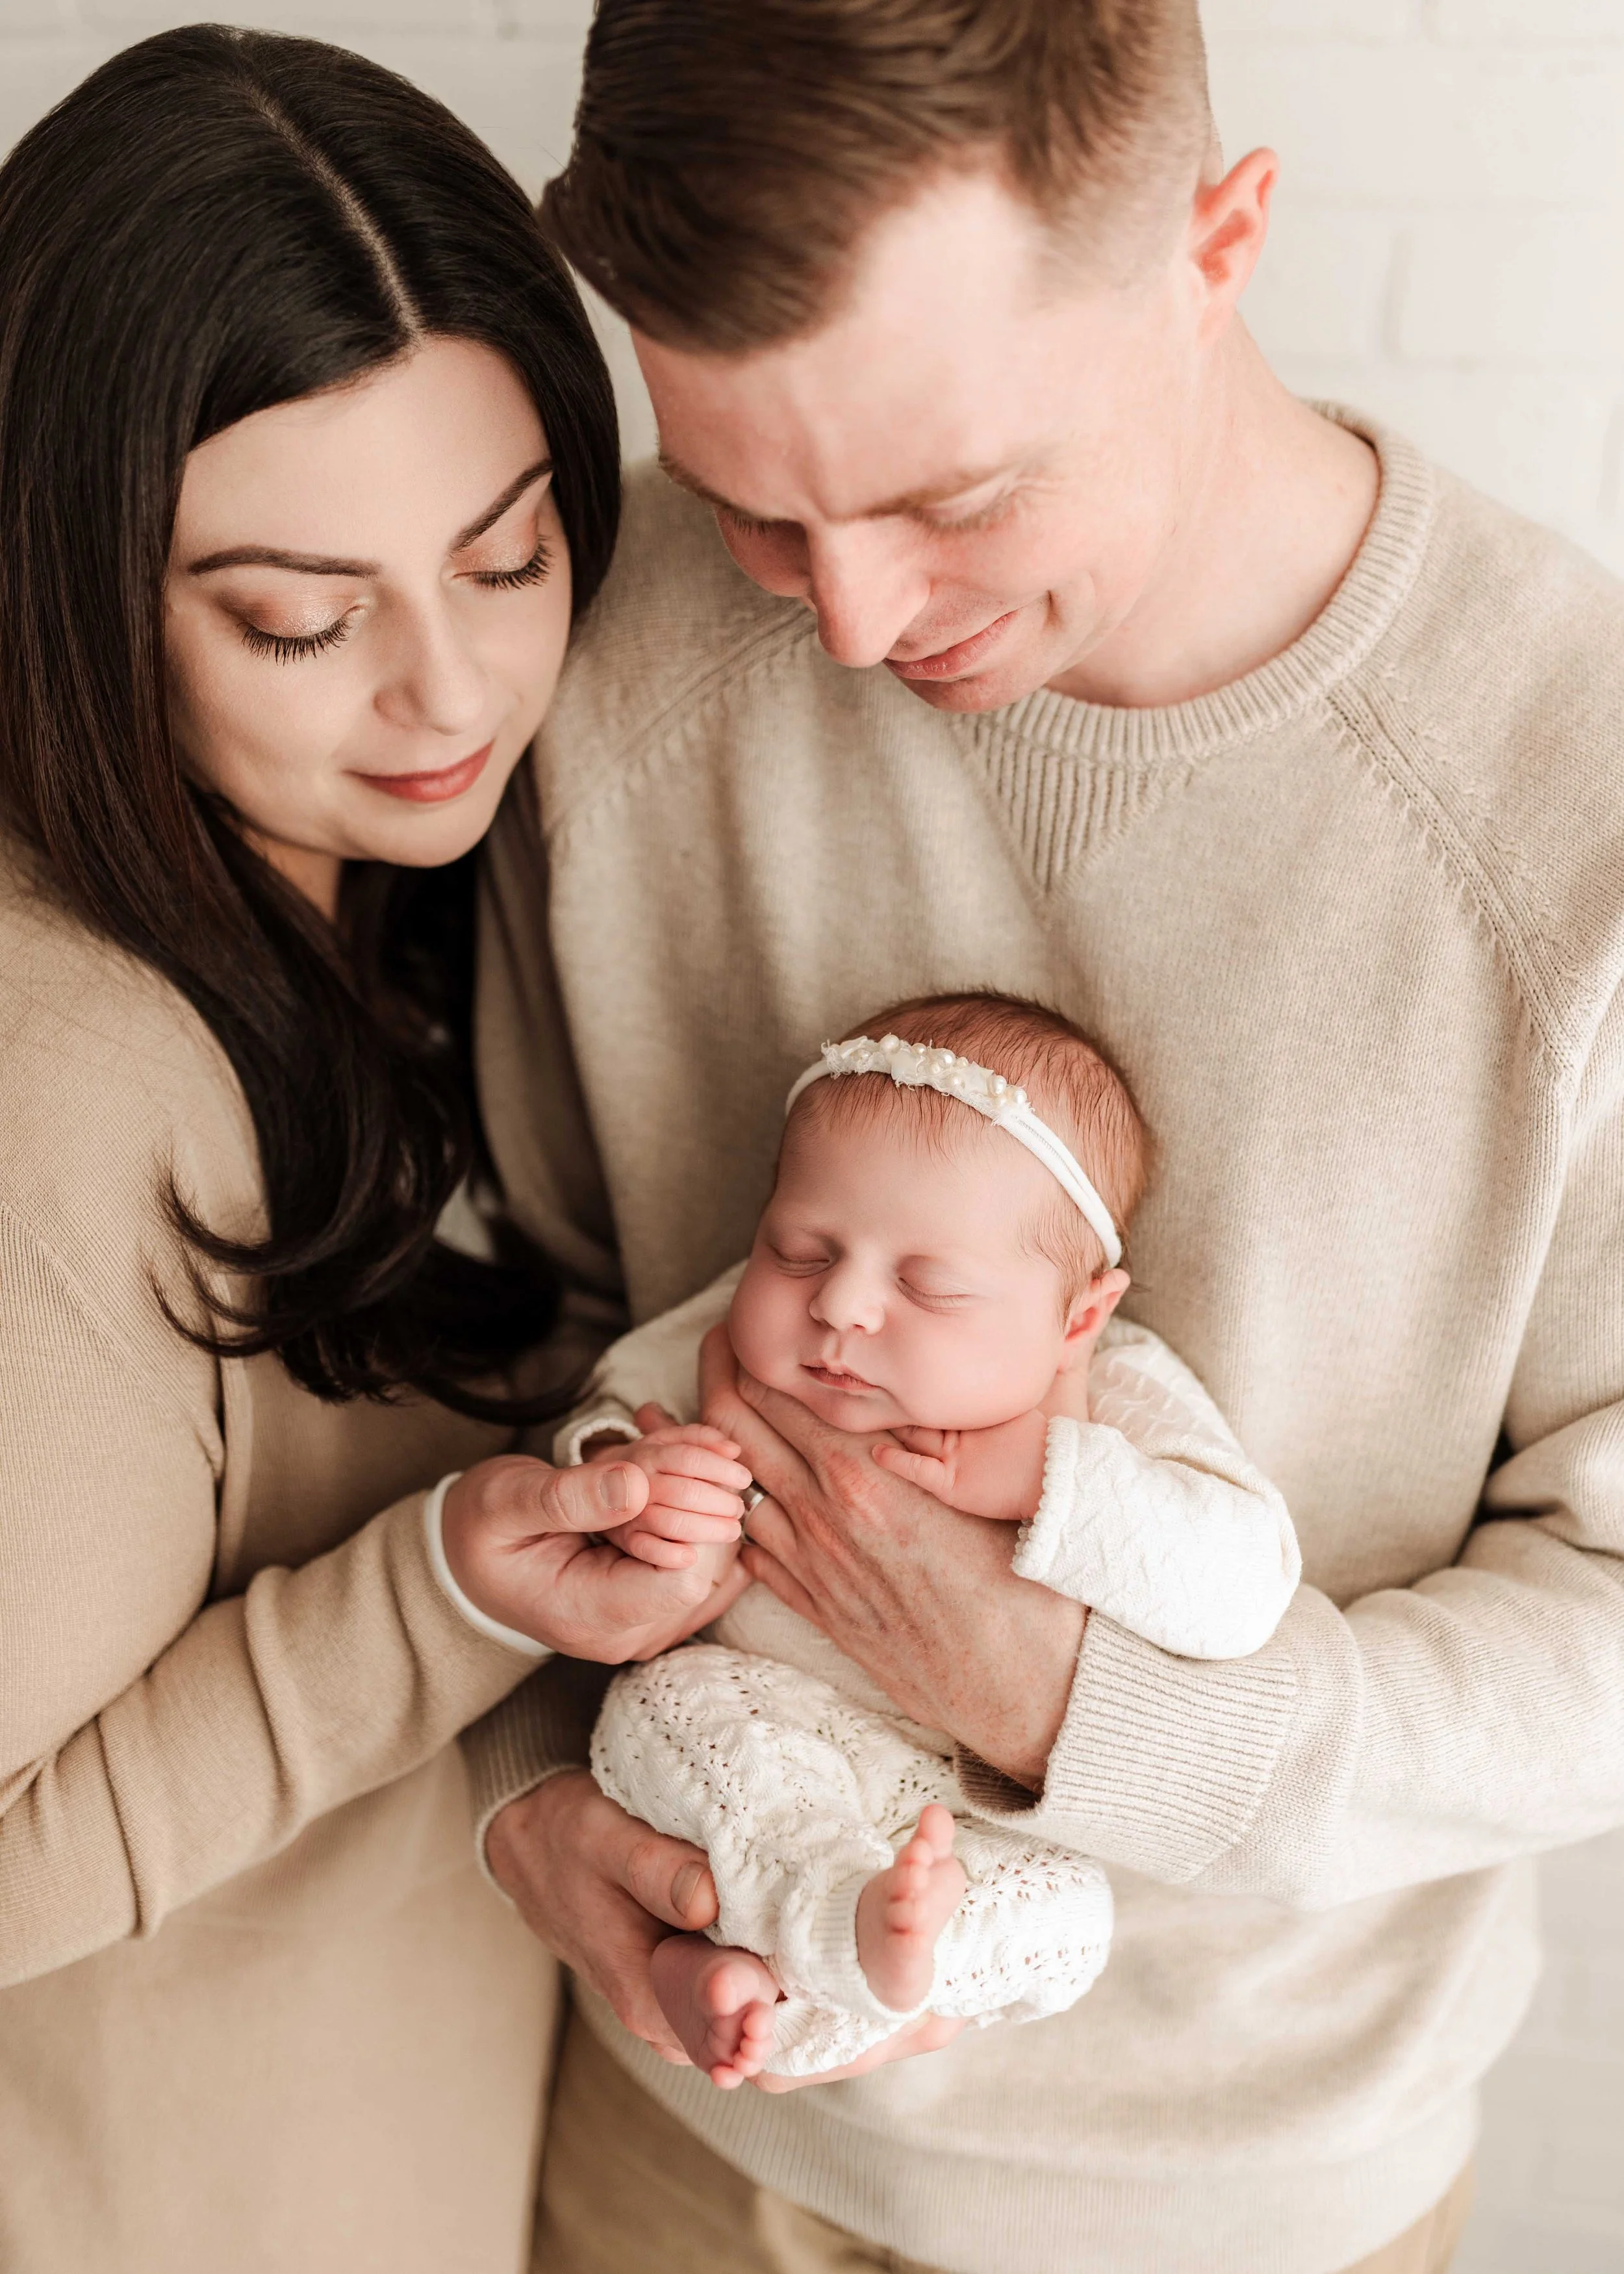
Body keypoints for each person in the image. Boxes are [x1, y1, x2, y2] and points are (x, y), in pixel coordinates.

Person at [468, 2, 1624, 2271]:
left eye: (956, 494)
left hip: (1253, 2200)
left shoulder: (1565, 810)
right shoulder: (610, 657)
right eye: (755, 504)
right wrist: (527, 1784)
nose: (856, 618)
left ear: (1220, 243)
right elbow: (500, 1313)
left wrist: (1083, 1706)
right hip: (678, 2131)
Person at [0, 28, 733, 2274]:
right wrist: (437, 1594)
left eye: (509, 558)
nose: (451, 690)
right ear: (71, 584)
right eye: (302, 619)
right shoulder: (74, 1081)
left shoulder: (398, 896)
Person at [567, 989, 1298, 2087]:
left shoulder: (1114, 1399)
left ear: (1078, 1319)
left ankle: (784, 1983)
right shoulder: (737, 1337)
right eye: (799, 1251)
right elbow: (608, 1405)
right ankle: (791, 1951)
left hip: (964, 1816)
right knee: (661, 1714)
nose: (841, 1306)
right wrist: (631, 1477)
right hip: (762, 1726)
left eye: (929, 1286)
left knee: (1070, 1917)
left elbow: (1244, 1587)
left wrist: (1052, 1478)